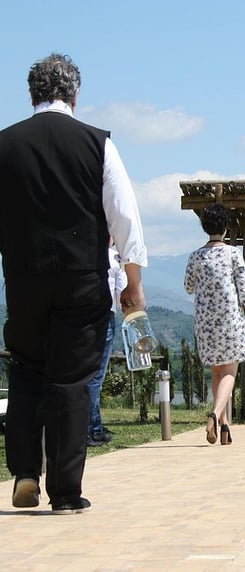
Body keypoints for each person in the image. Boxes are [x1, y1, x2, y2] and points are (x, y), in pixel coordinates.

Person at [0, 53, 148, 514]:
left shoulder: (5, 145)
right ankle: (65, 492)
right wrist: (133, 282)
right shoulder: (97, 143)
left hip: (23, 279)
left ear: (31, 94)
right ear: (75, 95)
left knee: (26, 370)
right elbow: (124, 216)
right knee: (71, 381)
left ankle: (26, 472)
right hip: (81, 278)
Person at [184, 203, 245, 446]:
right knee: (229, 372)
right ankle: (215, 414)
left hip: (205, 323)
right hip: (230, 320)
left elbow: (188, 287)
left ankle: (224, 426)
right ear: (225, 227)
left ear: (205, 227)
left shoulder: (196, 256)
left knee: (216, 372)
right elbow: (244, 291)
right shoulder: (233, 254)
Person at [86, 245, 127, 447]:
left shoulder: (82, 250)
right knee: (96, 377)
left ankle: (94, 425)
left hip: (77, 316)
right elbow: (122, 295)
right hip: (104, 315)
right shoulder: (115, 258)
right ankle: (91, 429)